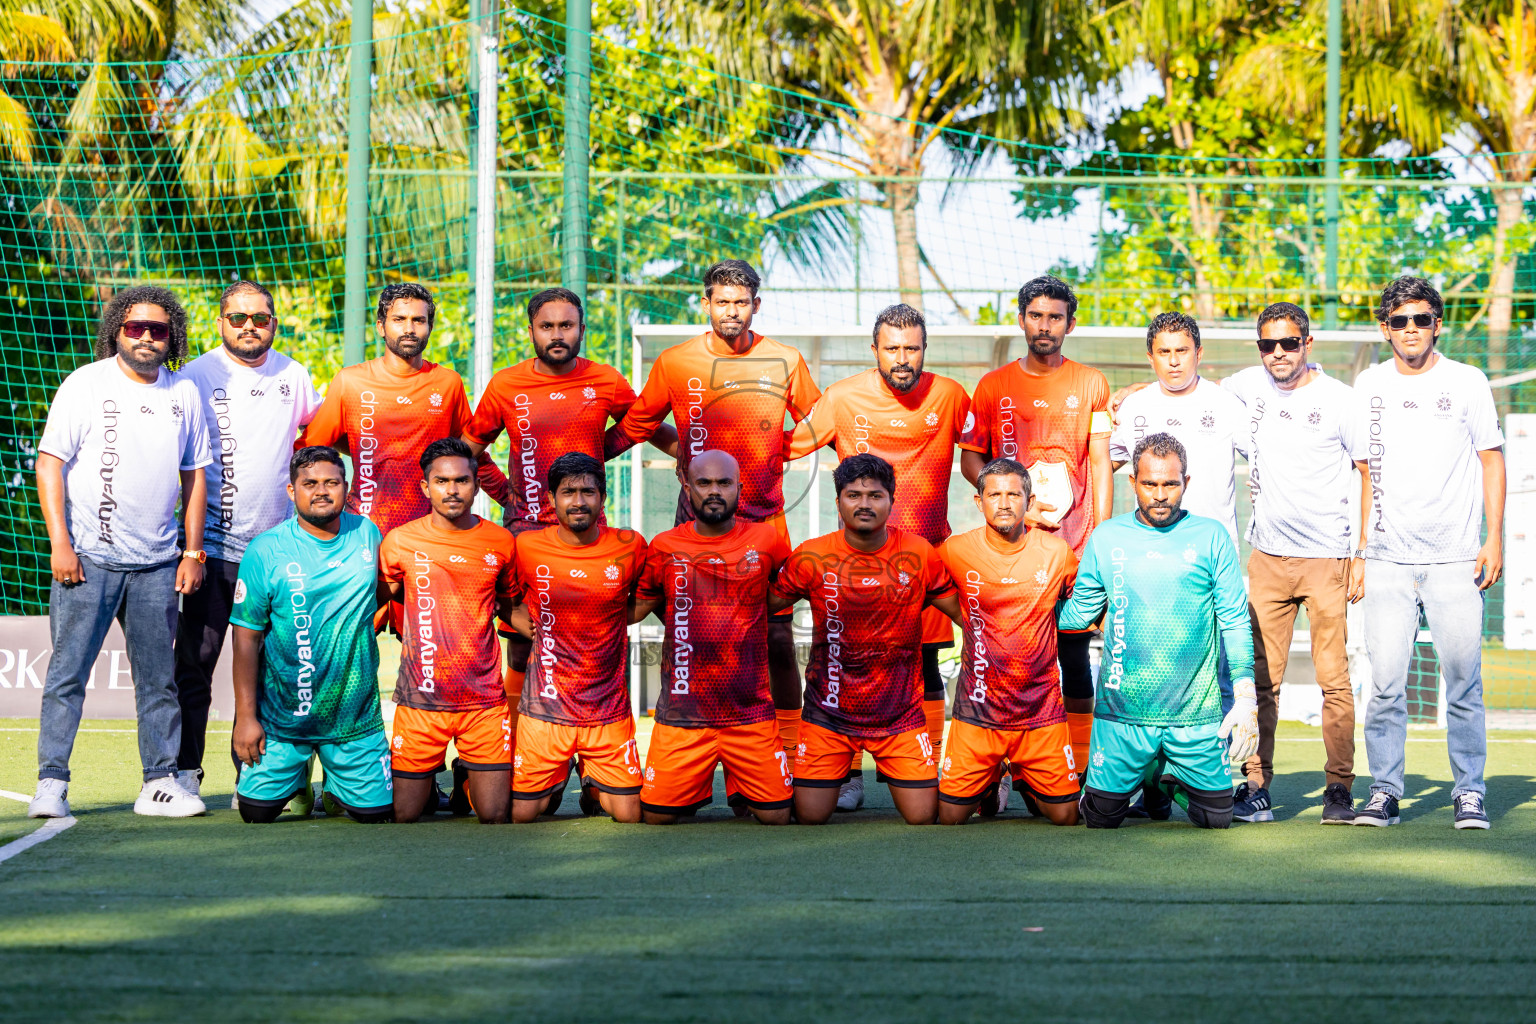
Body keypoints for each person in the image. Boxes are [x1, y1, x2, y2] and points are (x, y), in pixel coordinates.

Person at [615, 260, 820, 774]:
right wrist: (597, 455)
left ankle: (789, 752)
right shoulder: (675, 362)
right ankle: (693, 747)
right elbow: (641, 425)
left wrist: (778, 451)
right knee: (692, 633)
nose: (732, 311)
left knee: (775, 638)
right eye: (722, 302)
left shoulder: (785, 359)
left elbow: (818, 423)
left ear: (756, 304)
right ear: (705, 304)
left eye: (741, 302)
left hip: (766, 523)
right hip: (696, 529)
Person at [462, 287, 675, 774]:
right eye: (547, 326)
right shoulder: (506, 384)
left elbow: (640, 426)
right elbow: (470, 449)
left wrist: (683, 456)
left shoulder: (604, 379)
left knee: (591, 637)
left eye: (567, 326)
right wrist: (503, 493)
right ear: (532, 330)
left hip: (587, 537)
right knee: (524, 641)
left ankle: (596, 760)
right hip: (525, 534)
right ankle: (515, 753)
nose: (557, 335)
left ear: (582, 328)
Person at [29, 285, 211, 820]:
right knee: (67, 677)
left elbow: (195, 476)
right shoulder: (85, 384)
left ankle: (159, 782)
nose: (147, 337)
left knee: (160, 683)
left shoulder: (183, 394)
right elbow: (49, 464)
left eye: (158, 329)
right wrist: (61, 543)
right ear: (118, 331)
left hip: (157, 565)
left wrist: (192, 553)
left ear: (171, 335)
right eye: (136, 327)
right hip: (88, 561)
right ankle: (51, 784)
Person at [784, 302, 970, 809]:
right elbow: (788, 446)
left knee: (927, 666)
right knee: (844, 662)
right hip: (854, 564)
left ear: (925, 349)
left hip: (924, 559)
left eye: (912, 348)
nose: (902, 357)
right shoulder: (843, 397)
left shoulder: (952, 396)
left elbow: (982, 453)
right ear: (875, 351)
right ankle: (844, 773)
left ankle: (922, 760)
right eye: (892, 348)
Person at [1351, 276, 1504, 830]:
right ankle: (1385, 791)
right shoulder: (1368, 384)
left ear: (1438, 324)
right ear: (1384, 328)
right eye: (1399, 321)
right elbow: (1363, 472)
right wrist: (1360, 550)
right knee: (1387, 684)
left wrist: (1493, 538)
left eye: (1421, 319)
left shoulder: (1467, 381)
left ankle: (1469, 792)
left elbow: (1491, 459)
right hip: (1387, 557)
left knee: (1463, 681)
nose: (1410, 329)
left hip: (1455, 558)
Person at [1058, 433, 1257, 829]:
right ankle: (1149, 772)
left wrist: (1246, 693)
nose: (1160, 494)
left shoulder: (1211, 537)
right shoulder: (1107, 538)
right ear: (1132, 483)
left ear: (1186, 483)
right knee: (1100, 818)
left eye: (1171, 484)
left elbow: (1234, 619)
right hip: (1122, 715)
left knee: (1217, 819)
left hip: (1196, 716)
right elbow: (1078, 615)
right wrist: (1029, 596)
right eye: (1150, 484)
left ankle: (1165, 779)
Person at [959, 275, 1112, 779]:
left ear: (1071, 322)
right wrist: (1014, 511)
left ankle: (1080, 765)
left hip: (1074, 544)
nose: (1044, 325)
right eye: (1036, 315)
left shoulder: (1090, 382)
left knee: (1072, 648)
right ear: (1021, 317)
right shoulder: (993, 385)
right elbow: (972, 461)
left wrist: (1102, 537)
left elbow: (1100, 463)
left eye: (1055, 316)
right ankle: (996, 768)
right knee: (1004, 647)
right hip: (1013, 544)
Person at [174, 280, 322, 798]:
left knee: (274, 673)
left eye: (259, 318)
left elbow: (317, 446)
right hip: (209, 551)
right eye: (238, 318)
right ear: (220, 323)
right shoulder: (192, 377)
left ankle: (257, 777)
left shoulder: (294, 375)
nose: (249, 327)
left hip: (276, 556)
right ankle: (184, 774)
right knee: (194, 665)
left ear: (273, 324)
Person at [1219, 302, 1364, 824]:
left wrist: (1360, 552)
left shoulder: (1341, 400)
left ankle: (1339, 790)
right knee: (1260, 681)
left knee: (1335, 681)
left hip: (1328, 559)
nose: (1277, 353)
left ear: (1307, 344)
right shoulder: (1246, 386)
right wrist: (1128, 395)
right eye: (1267, 344)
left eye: (1288, 343)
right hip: (1267, 560)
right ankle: (1256, 786)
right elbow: (1193, 387)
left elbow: (1368, 472)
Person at [768, 454, 962, 826]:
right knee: (809, 816)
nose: (864, 504)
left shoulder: (920, 553)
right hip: (829, 714)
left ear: (891, 500)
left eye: (875, 495)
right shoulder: (811, 555)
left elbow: (963, 614)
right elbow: (764, 606)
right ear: (839, 501)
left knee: (923, 817)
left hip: (899, 715)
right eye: (853, 495)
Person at [228, 447, 393, 823]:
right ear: (292, 491)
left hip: (353, 719)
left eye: (331, 482)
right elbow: (246, 639)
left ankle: (337, 785)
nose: (321, 491)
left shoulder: (367, 534)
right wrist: (246, 719)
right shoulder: (264, 550)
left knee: (376, 815)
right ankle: (298, 779)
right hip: (284, 720)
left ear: (346, 488)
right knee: (255, 814)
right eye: (310, 484)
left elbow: (383, 591)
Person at [633, 449, 794, 825]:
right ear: (687, 487)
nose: (714, 491)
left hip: (749, 713)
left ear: (740, 487)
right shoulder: (663, 546)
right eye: (704, 483)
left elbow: (790, 590)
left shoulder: (767, 539)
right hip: (684, 714)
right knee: (655, 817)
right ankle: (694, 786)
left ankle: (745, 783)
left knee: (778, 818)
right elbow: (642, 607)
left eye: (724, 483)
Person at [298, 282, 506, 544]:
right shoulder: (350, 381)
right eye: (399, 319)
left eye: (418, 320)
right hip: (362, 530)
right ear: (381, 327)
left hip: (431, 531)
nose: (409, 328)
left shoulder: (447, 383)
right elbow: (310, 453)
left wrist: (508, 498)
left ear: (430, 327)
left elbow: (469, 454)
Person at [379, 438, 518, 824]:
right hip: (421, 700)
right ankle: (436, 775)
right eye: (441, 481)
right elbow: (375, 601)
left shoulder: (501, 542)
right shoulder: (400, 542)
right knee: (405, 814)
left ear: (475, 485)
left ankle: (465, 776)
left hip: (483, 701)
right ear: (425, 487)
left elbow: (511, 606)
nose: (452, 490)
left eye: (461, 481)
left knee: (494, 815)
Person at [935, 458, 1080, 825]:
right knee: (949, 818)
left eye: (1014, 494)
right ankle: (990, 775)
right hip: (978, 711)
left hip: (1041, 712)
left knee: (1065, 817)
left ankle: (1024, 777)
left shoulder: (1056, 553)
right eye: (994, 494)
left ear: (1028, 503)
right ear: (977, 501)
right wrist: (965, 616)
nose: (1003, 502)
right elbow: (929, 589)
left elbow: (1085, 607)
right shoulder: (954, 551)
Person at [506, 453, 647, 824]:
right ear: (551, 499)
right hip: (546, 706)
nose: (578, 501)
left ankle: (592, 782)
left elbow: (647, 599)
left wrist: (613, 616)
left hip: (607, 708)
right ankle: (552, 782)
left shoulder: (631, 545)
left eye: (588, 491)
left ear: (603, 498)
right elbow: (498, 593)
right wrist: (516, 617)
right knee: (523, 814)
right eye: (568, 492)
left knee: (629, 815)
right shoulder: (525, 546)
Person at [1109, 312, 1248, 548]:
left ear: (1198, 354)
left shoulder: (1227, 404)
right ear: (1151, 358)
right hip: (1150, 548)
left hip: (1211, 550)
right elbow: (1100, 465)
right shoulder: (1132, 406)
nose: (1173, 360)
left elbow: (1266, 461)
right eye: (1164, 352)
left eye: (1182, 351)